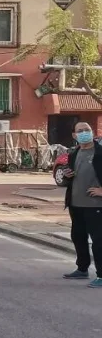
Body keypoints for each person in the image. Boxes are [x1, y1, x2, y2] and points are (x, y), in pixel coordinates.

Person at [61, 122, 102, 287]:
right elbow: (68, 179)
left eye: (87, 130)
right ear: (74, 135)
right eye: (80, 131)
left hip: (96, 205)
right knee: (78, 237)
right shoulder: (74, 153)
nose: (84, 133)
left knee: (99, 241)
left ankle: (101, 275)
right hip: (76, 204)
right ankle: (82, 268)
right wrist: (67, 175)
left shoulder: (100, 152)